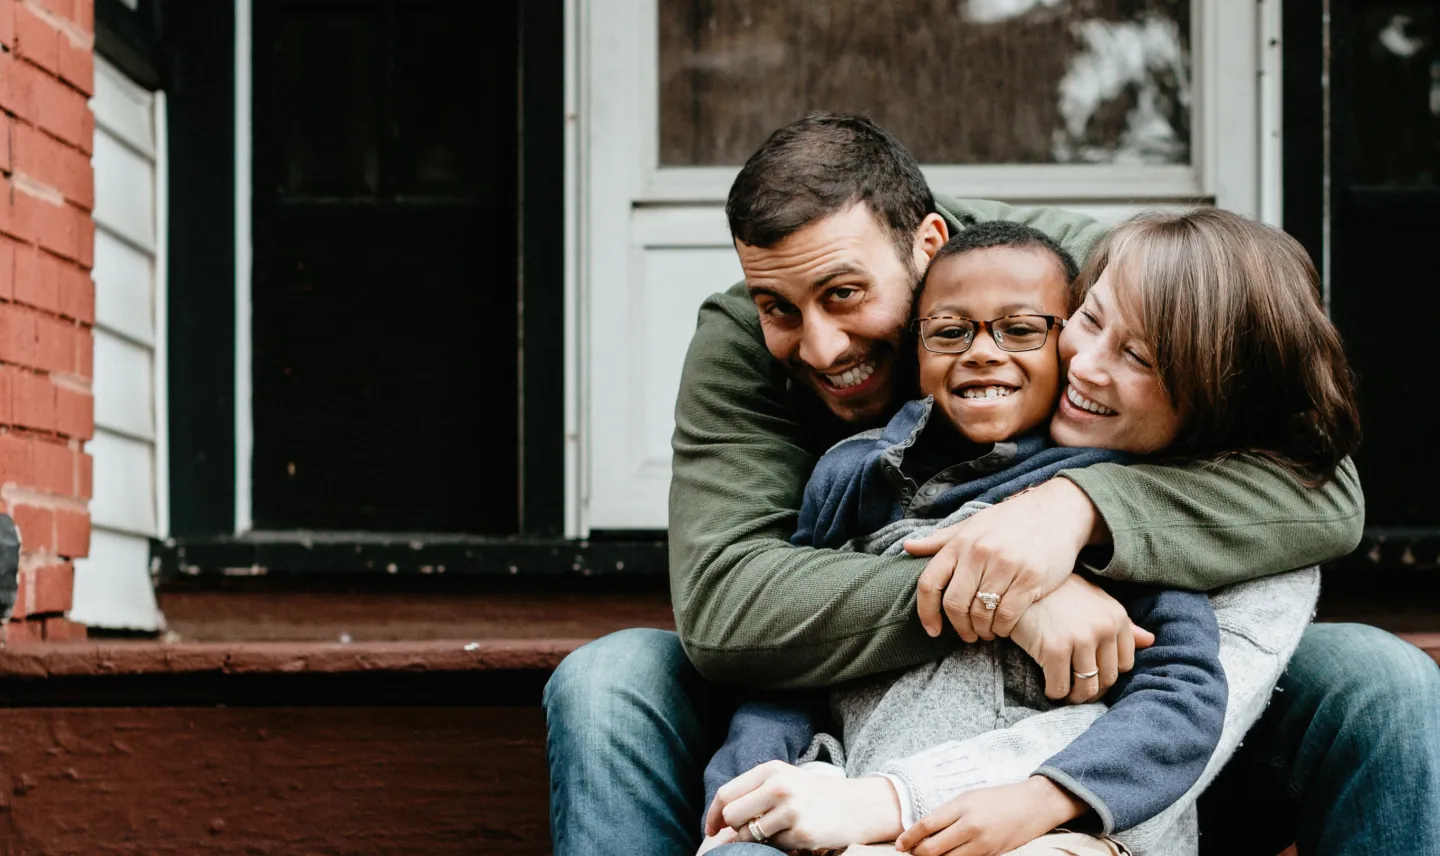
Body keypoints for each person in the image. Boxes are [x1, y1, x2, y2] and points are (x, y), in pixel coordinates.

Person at [543, 115, 1439, 856]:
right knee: (609, 678)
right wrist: (1007, 592)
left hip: (1107, 710)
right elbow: (729, 610)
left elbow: (1319, 492)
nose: (818, 346)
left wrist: (1075, 509)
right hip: (860, 708)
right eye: (781, 306)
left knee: (1379, 679)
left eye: (846, 295)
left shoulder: (1094, 276)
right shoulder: (746, 342)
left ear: (929, 244)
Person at [706, 208, 1353, 856]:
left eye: (1137, 356)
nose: (1084, 363)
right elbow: (787, 669)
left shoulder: (1144, 520)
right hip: (851, 809)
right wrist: (744, 793)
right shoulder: (862, 471)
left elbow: (1181, 704)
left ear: (1215, 397)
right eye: (1090, 320)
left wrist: (1047, 796)